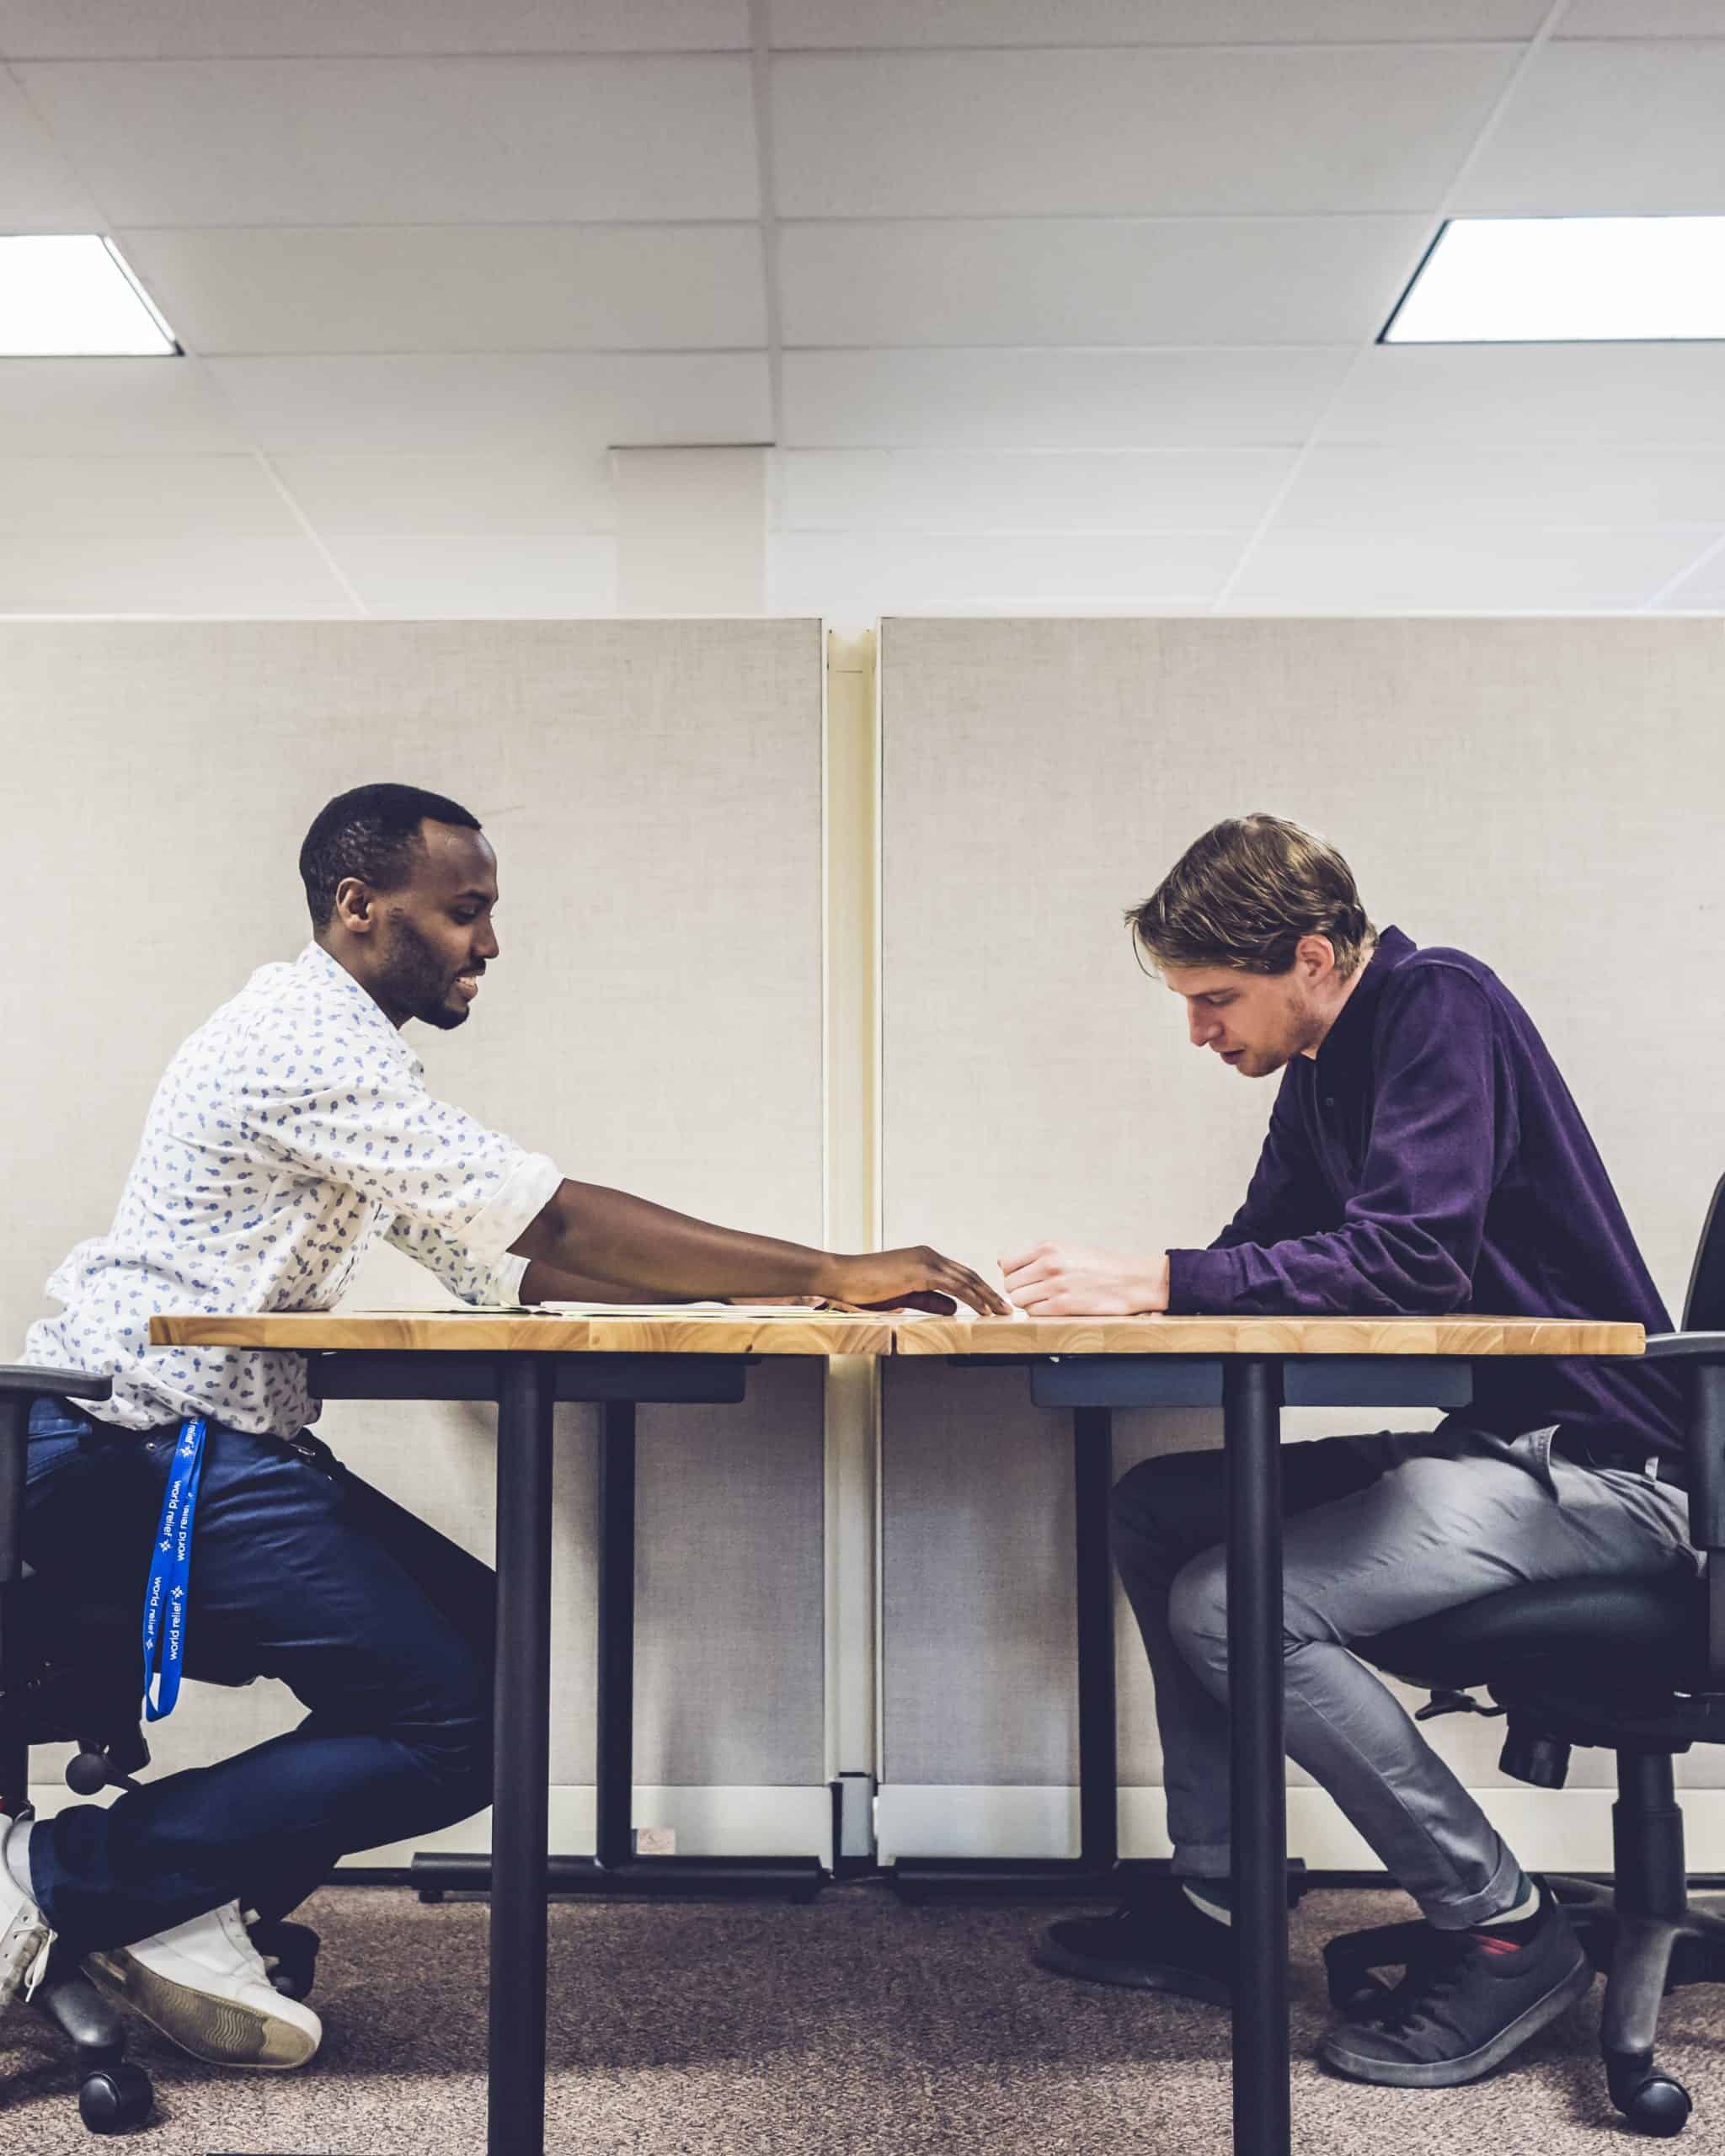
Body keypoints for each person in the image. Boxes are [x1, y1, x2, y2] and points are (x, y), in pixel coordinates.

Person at [2, 782, 1007, 2068]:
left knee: (490, 1652)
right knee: (460, 1716)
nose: (490, 941)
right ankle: (65, 1874)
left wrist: (773, 1284)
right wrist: (830, 1266)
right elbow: (553, 1222)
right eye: (465, 910)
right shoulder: (296, 1046)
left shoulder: (348, 1047)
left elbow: (509, 1261)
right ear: (360, 908)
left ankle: (161, 1897)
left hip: (200, 1441)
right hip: (136, 1450)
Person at [1005, 814, 1692, 2089]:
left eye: (1217, 998)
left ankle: (1501, 1927)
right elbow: (1267, 1251)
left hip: (1599, 1468)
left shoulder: (1440, 1006)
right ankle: (1222, 1901)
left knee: (1231, 1606)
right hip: (1499, 1442)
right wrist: (1134, 1294)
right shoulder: (1324, 1067)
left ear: (1315, 957)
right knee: (1162, 1509)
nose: (1201, 1031)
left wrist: (1161, 1279)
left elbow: (1410, 1258)